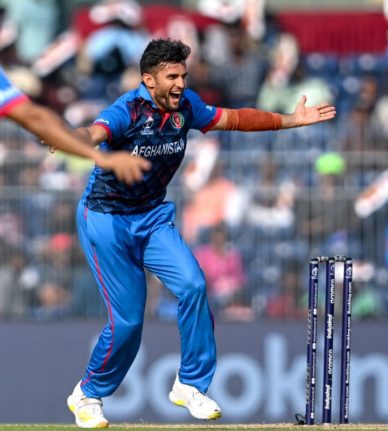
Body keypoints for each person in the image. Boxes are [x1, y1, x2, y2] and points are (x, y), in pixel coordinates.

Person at [65, 38, 335, 429]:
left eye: (183, 75)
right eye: (171, 76)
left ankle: (189, 384)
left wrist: (290, 120)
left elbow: (236, 119)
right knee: (127, 323)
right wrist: (71, 139)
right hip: (106, 220)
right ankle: (87, 394)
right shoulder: (127, 110)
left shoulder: (186, 106)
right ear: (148, 80)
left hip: (152, 216)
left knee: (192, 284)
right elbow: (96, 131)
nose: (179, 83)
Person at [0, 66, 150, 185]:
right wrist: (102, 158)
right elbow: (34, 117)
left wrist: (62, 135)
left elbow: (34, 116)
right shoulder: (121, 111)